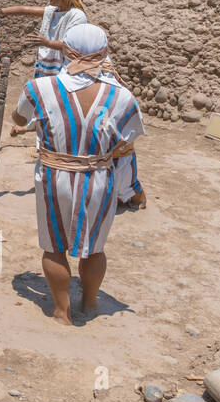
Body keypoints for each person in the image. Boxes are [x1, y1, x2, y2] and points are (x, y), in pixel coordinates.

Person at [9, 23, 144, 325]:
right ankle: (91, 302)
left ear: (67, 52)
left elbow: (19, 117)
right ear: (105, 53)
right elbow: (126, 141)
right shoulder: (122, 96)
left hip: (54, 177)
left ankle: (61, 311)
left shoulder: (40, 88)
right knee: (93, 247)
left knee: (54, 246)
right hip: (99, 179)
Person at [2, 0, 89, 79]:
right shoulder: (53, 11)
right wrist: (1, 12)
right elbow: (24, 10)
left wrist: (47, 43)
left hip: (66, 68)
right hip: (47, 68)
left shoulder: (77, 15)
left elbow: (70, 45)